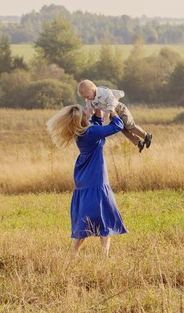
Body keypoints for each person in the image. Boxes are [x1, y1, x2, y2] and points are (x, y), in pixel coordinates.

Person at [46, 104, 127, 256]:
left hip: (86, 178)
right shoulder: (91, 132)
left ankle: (75, 254)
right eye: (85, 110)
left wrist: (98, 109)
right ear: (82, 118)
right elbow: (117, 126)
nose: (87, 108)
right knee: (104, 217)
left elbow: (97, 122)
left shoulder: (83, 132)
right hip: (97, 179)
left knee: (87, 219)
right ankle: (102, 255)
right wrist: (112, 110)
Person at [77, 79, 152, 153]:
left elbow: (111, 99)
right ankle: (138, 142)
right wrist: (89, 113)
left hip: (119, 109)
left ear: (92, 89)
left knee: (130, 126)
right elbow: (90, 108)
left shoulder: (103, 91)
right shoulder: (91, 100)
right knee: (123, 129)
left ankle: (146, 136)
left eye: (87, 96)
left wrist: (109, 111)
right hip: (112, 114)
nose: (87, 98)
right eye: (85, 98)